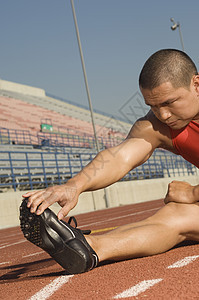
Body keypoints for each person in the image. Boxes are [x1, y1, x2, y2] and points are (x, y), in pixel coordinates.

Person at [20, 49, 199, 274]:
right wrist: (74, 186)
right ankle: (89, 249)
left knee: (184, 213)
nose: (163, 115)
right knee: (177, 215)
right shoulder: (159, 126)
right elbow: (119, 158)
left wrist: (192, 193)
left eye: (169, 102)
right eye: (153, 106)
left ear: (196, 84)